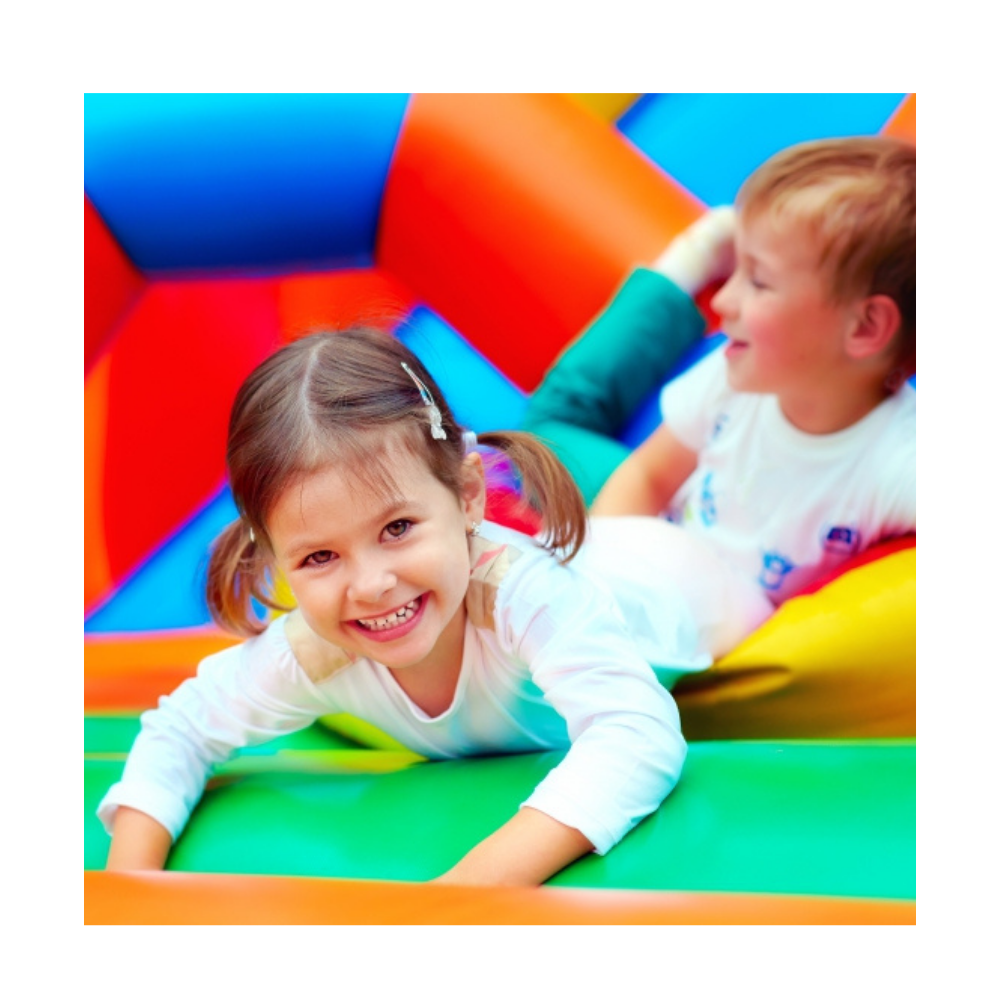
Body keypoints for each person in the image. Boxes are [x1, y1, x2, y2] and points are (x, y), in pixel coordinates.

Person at [96, 326, 699, 887]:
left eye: (397, 527)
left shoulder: (523, 596)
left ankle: (687, 282)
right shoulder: (315, 649)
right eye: (320, 558)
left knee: (576, 426)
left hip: (678, 573)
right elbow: (181, 731)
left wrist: (458, 895)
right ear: (276, 560)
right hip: (585, 539)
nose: (371, 586)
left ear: (468, 497)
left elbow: (636, 735)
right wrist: (128, 893)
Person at [523, 134, 916, 648]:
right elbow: (648, 476)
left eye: (758, 281)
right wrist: (591, 573)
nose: (726, 301)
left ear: (864, 327)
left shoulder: (896, 465)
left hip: (701, 617)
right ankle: (687, 266)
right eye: (739, 273)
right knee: (549, 427)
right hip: (655, 541)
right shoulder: (738, 378)